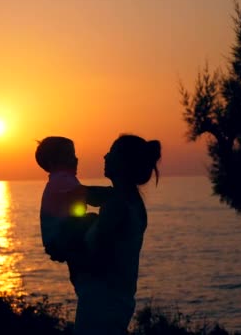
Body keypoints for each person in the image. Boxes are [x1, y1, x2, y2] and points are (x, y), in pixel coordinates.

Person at [70, 134, 161, 335]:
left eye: (111, 152)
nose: (105, 156)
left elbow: (97, 259)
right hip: (117, 302)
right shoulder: (130, 201)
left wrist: (68, 247)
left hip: (101, 305)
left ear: (123, 163)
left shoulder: (117, 206)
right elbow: (93, 193)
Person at [35, 136, 111, 263]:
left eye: (74, 154)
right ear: (53, 163)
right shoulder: (60, 179)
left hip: (62, 237)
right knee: (93, 220)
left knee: (89, 221)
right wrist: (112, 193)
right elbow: (89, 195)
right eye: (69, 155)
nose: (75, 159)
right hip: (60, 237)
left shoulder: (63, 179)